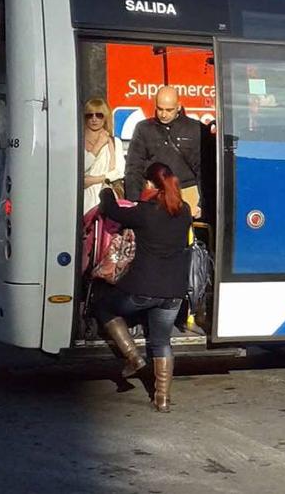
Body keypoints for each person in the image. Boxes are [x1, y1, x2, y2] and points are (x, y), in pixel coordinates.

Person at [94, 162, 191, 412]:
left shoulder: (145, 211)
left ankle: (133, 357)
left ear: (150, 184)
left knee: (103, 306)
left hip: (143, 289)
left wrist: (107, 191)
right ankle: (163, 399)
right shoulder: (185, 210)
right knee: (162, 341)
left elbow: (112, 210)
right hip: (174, 293)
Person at [124, 86, 204, 218]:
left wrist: (202, 204)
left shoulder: (195, 129)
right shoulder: (144, 129)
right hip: (155, 194)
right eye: (160, 109)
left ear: (178, 106)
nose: (163, 114)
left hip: (187, 193)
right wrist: (134, 201)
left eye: (169, 110)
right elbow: (134, 167)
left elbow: (204, 169)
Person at [81, 98, 125, 214]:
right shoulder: (78, 142)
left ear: (105, 117)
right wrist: (98, 145)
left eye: (99, 115)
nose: (94, 119)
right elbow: (82, 167)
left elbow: (119, 172)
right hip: (83, 199)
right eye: (89, 115)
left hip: (106, 195)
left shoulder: (115, 142)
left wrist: (92, 180)